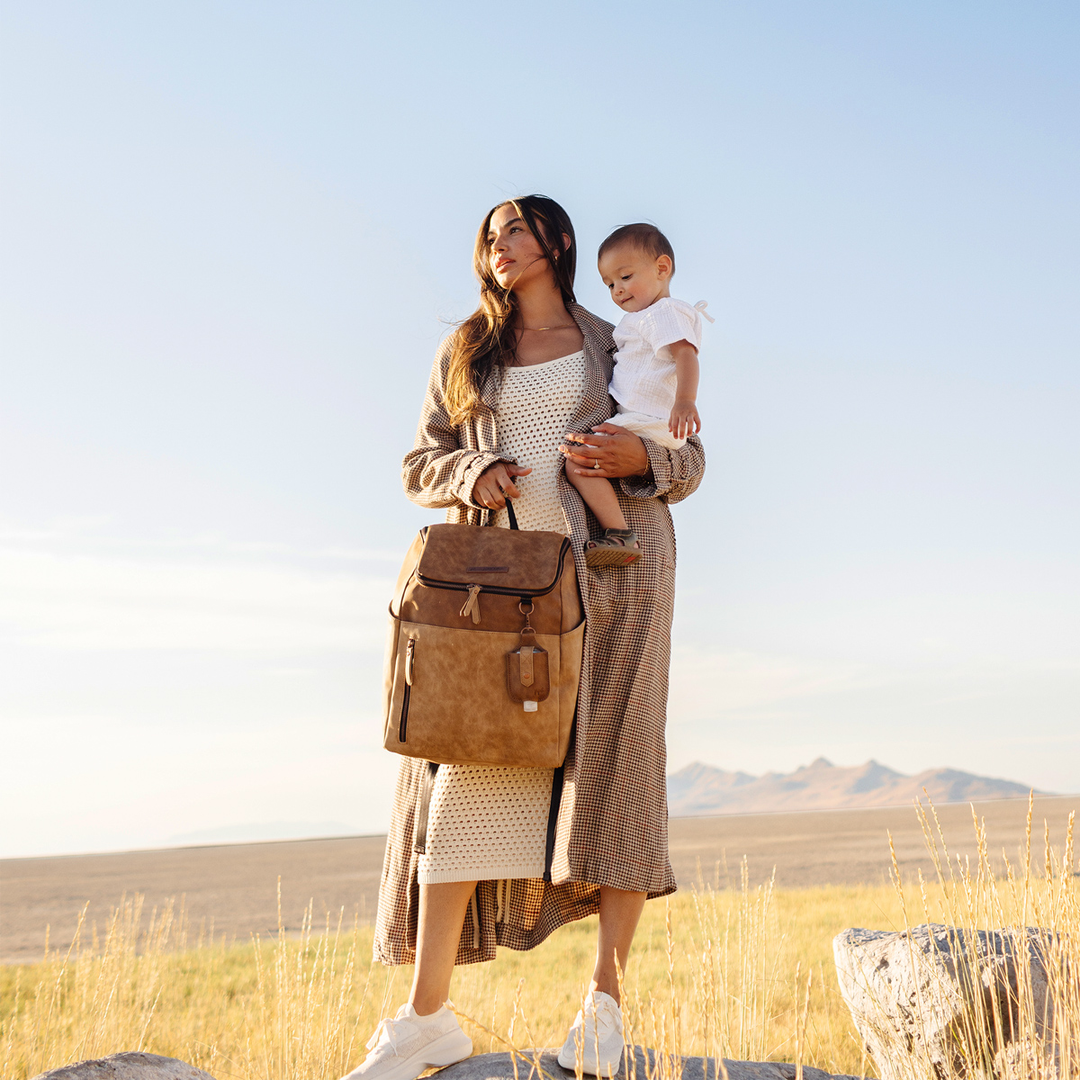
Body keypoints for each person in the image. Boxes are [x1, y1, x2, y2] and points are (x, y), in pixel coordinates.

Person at [342, 195, 705, 1080]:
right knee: (465, 777)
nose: (498, 247)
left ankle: (603, 1014)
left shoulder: (612, 338)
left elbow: (687, 456)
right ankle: (428, 1020)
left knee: (614, 775)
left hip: (618, 579)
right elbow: (418, 462)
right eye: (489, 236)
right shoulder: (467, 350)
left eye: (514, 231)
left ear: (557, 241)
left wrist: (642, 462)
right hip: (497, 595)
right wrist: (474, 465)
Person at [565, 223, 711, 568]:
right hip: (641, 418)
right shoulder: (647, 317)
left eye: (626, 277)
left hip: (647, 419)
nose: (617, 290)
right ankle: (617, 531)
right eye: (610, 284)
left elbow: (686, 355)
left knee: (578, 461)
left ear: (662, 269)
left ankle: (618, 532)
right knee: (585, 461)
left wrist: (686, 401)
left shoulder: (663, 312)